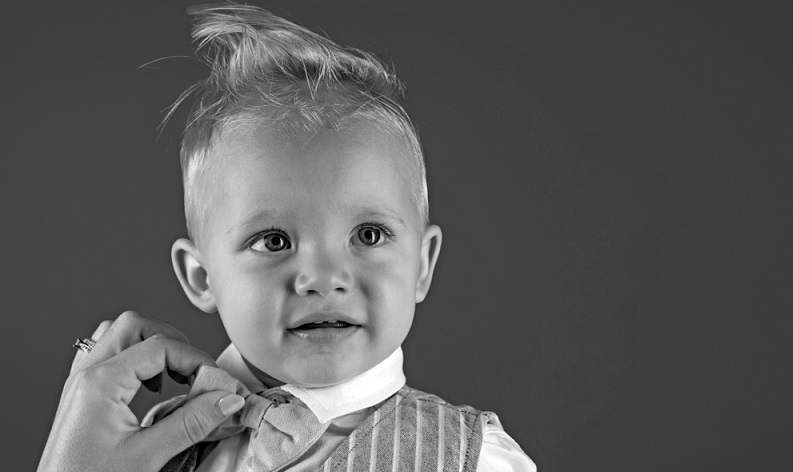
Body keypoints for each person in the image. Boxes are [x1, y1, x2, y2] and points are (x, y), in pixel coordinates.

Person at [38, 3, 535, 471]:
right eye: (274, 241)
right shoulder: (141, 450)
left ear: (422, 265)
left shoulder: (474, 459)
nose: (324, 278)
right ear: (201, 276)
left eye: (368, 234)